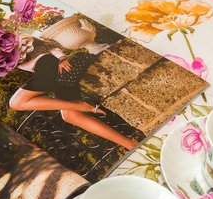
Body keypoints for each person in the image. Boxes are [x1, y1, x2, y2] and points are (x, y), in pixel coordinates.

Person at [8, 34, 138, 151]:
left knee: (16, 103)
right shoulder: (3, 57)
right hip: (57, 77)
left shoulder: (13, 39)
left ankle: (82, 106)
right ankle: (130, 145)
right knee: (70, 116)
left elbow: (48, 47)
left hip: (49, 68)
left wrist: (62, 58)